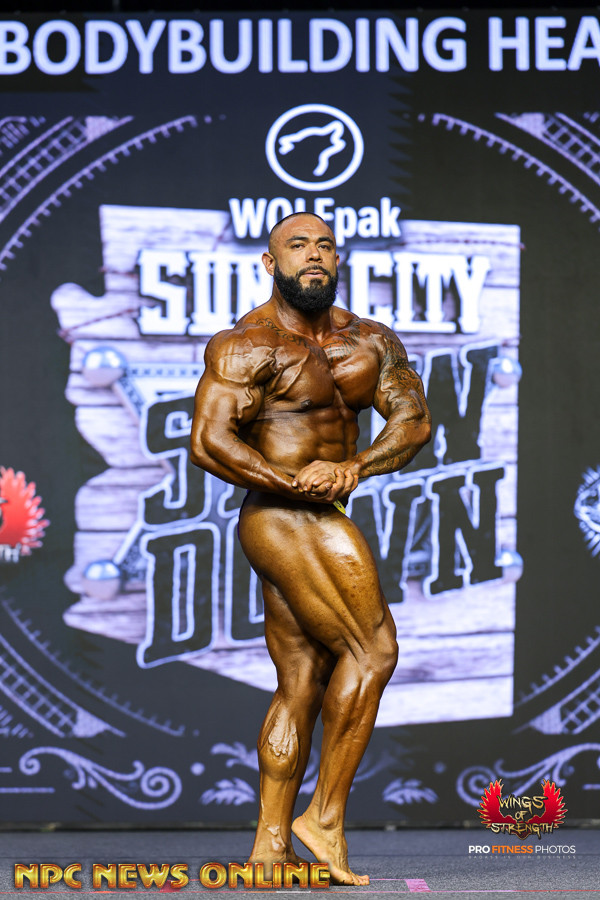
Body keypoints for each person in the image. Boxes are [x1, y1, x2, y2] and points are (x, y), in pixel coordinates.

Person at [190, 212, 431, 885]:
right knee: (374, 649)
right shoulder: (247, 344)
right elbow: (209, 441)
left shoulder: (371, 341)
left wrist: (356, 467)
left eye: (325, 245)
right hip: (280, 515)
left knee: (302, 678)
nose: (314, 255)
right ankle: (323, 818)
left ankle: (271, 847)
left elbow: (413, 422)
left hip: (323, 506)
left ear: (338, 259)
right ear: (272, 264)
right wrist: (293, 481)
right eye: (297, 246)